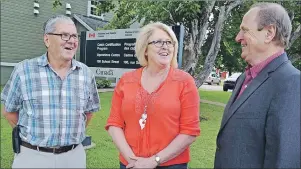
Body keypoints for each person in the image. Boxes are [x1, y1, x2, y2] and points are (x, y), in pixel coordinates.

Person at [1, 15, 100, 168]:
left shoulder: (86, 73)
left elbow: (88, 113)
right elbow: (9, 111)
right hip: (32, 157)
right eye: (64, 35)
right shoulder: (24, 71)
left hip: (74, 158)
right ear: (47, 39)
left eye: (74, 36)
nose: (72, 41)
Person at [214, 2, 300, 168]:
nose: (238, 37)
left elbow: (283, 160)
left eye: (245, 30)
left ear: (269, 33)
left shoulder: (292, 83)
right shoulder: (244, 77)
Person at [105, 22, 200, 169]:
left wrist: (153, 161)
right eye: (158, 42)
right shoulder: (126, 80)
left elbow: (189, 131)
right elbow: (114, 123)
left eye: (170, 42)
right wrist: (132, 160)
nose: (165, 46)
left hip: (171, 165)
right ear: (145, 49)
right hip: (130, 164)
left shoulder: (185, 82)